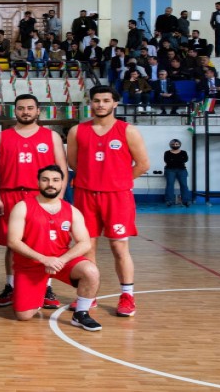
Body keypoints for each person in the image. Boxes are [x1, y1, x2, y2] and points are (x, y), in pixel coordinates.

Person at [67, 85, 150, 317]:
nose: (100, 104)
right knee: (87, 247)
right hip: (85, 194)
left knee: (119, 247)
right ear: (90, 103)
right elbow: (73, 163)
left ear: (115, 103)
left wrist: (118, 182)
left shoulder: (128, 131)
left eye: (106, 100)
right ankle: (89, 295)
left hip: (117, 196)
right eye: (96, 100)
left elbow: (143, 164)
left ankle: (127, 296)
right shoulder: (77, 131)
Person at [0, 94, 68, 309]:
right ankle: (11, 286)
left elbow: (61, 169)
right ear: (15, 111)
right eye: (21, 108)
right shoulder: (2, 137)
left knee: (44, 242)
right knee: (11, 244)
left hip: (40, 195)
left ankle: (46, 287)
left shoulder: (51, 137)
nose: (25, 112)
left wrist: (58, 197)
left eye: (30, 108)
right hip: (10, 195)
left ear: (37, 111)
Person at [7, 165, 103, 331]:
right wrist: (44, 259)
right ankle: (38, 292)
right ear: (38, 182)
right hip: (31, 264)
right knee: (24, 316)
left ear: (61, 183)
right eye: (45, 180)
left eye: (55, 180)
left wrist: (62, 260)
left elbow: (85, 242)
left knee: (91, 271)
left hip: (60, 261)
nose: (50, 184)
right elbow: (13, 241)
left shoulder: (72, 211)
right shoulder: (22, 207)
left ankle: (81, 313)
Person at [164, 139, 192, 207]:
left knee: (184, 185)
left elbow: (185, 160)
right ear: (170, 145)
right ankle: (169, 201)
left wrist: (173, 160)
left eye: (177, 144)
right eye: (173, 144)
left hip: (182, 170)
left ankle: (186, 201)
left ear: (179, 145)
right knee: (170, 185)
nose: (175, 145)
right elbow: (167, 160)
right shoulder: (167, 152)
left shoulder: (183, 152)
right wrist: (179, 160)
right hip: (170, 170)